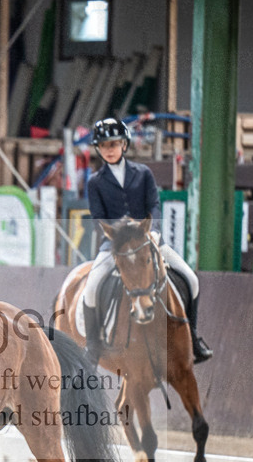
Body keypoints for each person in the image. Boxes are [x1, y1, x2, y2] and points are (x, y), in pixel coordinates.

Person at [83, 117, 213, 364]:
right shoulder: (95, 182)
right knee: (91, 287)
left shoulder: (143, 173)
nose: (109, 150)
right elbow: (98, 217)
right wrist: (117, 232)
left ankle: (193, 338)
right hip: (115, 245)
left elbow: (154, 205)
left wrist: (151, 229)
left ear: (124, 144)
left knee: (192, 279)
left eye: (114, 144)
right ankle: (93, 345)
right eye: (104, 145)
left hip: (148, 239)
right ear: (98, 149)